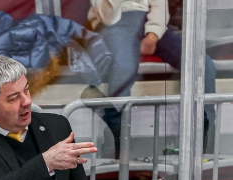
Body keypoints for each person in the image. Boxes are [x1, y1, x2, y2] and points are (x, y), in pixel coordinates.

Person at [88, 0, 216, 156]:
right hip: (114, 25)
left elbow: (159, 7)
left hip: (148, 21)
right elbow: (106, 17)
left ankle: (205, 139)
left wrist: (153, 35)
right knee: (123, 68)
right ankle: (117, 143)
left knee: (202, 64)